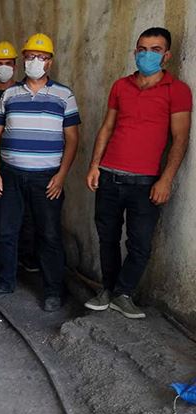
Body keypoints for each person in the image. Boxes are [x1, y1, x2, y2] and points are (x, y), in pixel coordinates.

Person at [84, 27, 191, 319]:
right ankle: (107, 289)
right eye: (142, 48)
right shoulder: (121, 86)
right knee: (107, 237)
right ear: (135, 51)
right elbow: (107, 127)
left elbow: (180, 138)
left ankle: (124, 292)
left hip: (146, 182)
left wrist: (166, 179)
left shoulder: (177, 90)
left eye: (155, 50)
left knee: (140, 243)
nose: (147, 54)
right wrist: (95, 164)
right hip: (109, 174)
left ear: (166, 55)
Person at [0, 33, 80, 312]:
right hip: (10, 175)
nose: (35, 62)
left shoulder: (64, 95)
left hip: (47, 178)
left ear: (50, 62)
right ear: (23, 59)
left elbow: (72, 138)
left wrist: (61, 176)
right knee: (6, 231)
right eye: (30, 57)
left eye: (42, 57)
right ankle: (5, 283)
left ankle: (52, 291)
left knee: (49, 234)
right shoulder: (10, 95)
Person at [0, 41, 39, 271]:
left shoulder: (23, 92)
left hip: (20, 161)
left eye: (8, 63)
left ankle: (26, 254)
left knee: (25, 210)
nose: (3, 67)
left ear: (15, 65)